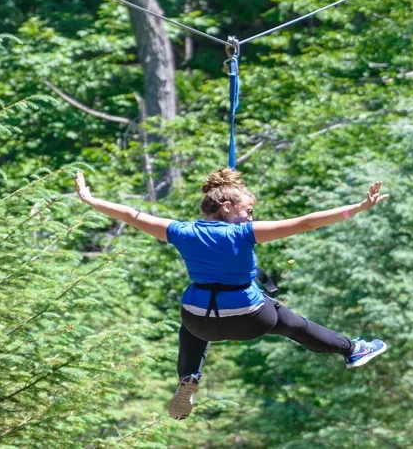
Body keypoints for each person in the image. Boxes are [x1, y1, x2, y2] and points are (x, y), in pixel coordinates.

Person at [74, 168, 390, 420]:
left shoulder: (182, 232)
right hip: (250, 319)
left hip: (201, 320)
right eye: (249, 210)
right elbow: (306, 223)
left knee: (191, 324)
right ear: (228, 208)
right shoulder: (244, 233)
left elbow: (132, 215)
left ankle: (188, 377)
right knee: (295, 326)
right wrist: (358, 208)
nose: (251, 217)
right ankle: (351, 349)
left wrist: (91, 200)